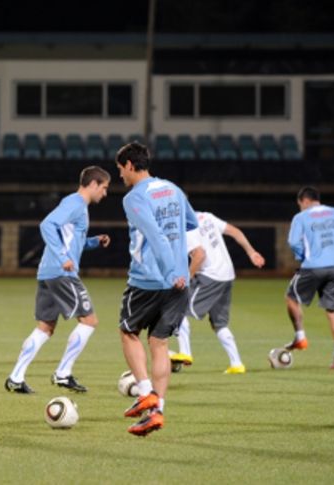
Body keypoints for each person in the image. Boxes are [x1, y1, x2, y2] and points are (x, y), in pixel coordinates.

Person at [115, 142, 198, 437]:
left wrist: (170, 269)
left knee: (128, 332)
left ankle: (146, 391)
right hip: (179, 283)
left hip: (148, 280)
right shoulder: (173, 189)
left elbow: (154, 234)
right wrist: (180, 271)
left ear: (128, 165)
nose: (120, 176)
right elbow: (190, 222)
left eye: (120, 170)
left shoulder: (134, 198)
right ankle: (157, 412)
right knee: (159, 343)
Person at [5, 166, 111, 394]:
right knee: (89, 320)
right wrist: (63, 257)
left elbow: (72, 240)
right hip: (61, 273)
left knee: (45, 327)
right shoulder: (75, 203)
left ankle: (15, 377)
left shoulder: (76, 205)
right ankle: (63, 373)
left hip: (48, 272)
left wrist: (93, 241)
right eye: (104, 187)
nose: (105, 193)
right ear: (93, 184)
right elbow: (47, 225)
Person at [169, 212, 266, 374]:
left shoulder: (184, 226)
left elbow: (199, 256)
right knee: (219, 323)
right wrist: (251, 252)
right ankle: (237, 364)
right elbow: (235, 231)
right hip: (227, 274)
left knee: (178, 308)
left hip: (210, 276)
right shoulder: (205, 216)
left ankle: (185, 352)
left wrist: (186, 279)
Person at [283, 186, 334, 370]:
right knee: (332, 310)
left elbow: (293, 241)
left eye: (300, 205)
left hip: (312, 268)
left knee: (291, 298)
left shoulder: (301, 217)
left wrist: (301, 256)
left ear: (304, 201)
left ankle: (300, 337)